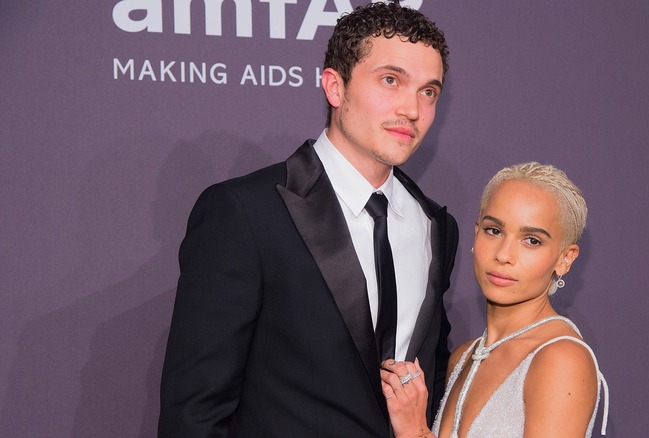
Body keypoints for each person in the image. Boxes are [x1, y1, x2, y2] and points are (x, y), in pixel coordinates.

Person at [157, 2, 458, 437]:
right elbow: (195, 413)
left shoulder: (435, 226)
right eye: (391, 80)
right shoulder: (246, 213)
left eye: (429, 91)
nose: (412, 109)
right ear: (335, 87)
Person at [380, 162, 609, 437]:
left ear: (565, 258)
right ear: (476, 233)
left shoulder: (560, 359)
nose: (503, 254)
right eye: (494, 230)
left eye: (532, 240)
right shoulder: (463, 358)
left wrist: (415, 431)